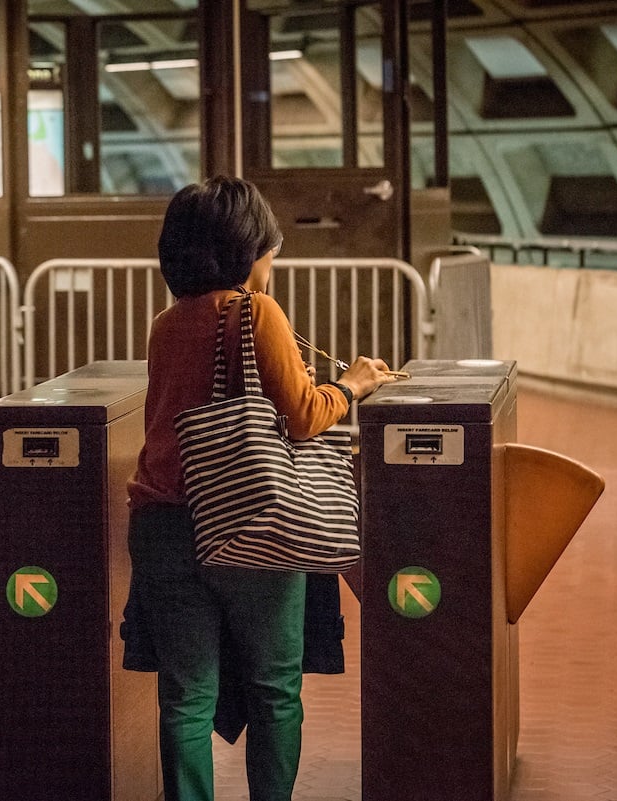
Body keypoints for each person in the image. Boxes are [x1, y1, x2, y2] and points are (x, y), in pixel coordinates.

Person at [125, 176, 396, 801]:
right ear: (248, 251)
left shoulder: (165, 325)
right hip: (249, 519)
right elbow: (302, 415)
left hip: (163, 522)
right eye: (270, 247)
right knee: (276, 688)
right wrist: (352, 385)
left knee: (187, 694)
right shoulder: (256, 310)